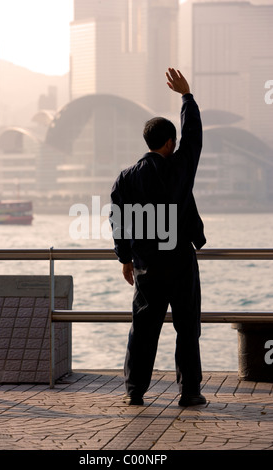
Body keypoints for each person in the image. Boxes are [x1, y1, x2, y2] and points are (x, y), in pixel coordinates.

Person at [109, 68, 206, 407]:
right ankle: (190, 392)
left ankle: (135, 390)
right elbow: (194, 138)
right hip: (179, 260)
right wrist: (186, 97)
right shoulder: (180, 170)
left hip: (147, 265)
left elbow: (117, 219)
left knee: (144, 329)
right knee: (187, 328)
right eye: (174, 142)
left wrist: (124, 258)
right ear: (168, 143)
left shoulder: (126, 178)